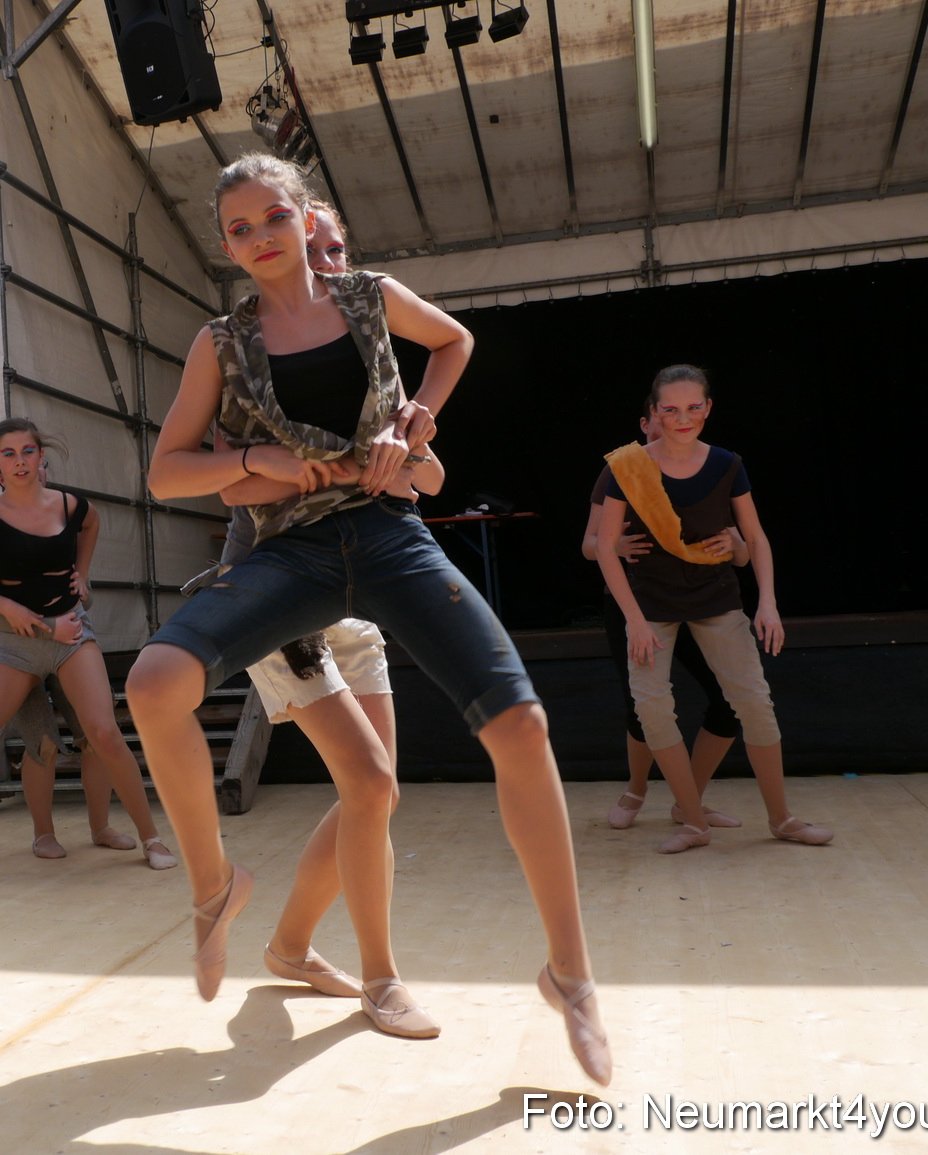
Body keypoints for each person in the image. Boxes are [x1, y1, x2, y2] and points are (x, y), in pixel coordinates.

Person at [123, 154, 610, 1084]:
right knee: (154, 684)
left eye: (275, 217)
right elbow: (166, 472)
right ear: (226, 246)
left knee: (516, 724)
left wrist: (416, 418)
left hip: (388, 540)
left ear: (306, 217)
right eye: (239, 229)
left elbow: (455, 341)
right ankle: (214, 888)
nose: (261, 238)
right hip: (288, 557)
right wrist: (255, 460)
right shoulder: (221, 343)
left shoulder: (369, 298)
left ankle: (571, 976)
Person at [203, 204, 450, 1037]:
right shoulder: (251, 358)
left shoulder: (368, 360)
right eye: (314, 250)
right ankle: (383, 978)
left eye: (337, 248)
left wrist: (403, 440)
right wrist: (318, 466)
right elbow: (229, 485)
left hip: (353, 597)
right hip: (280, 598)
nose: (328, 262)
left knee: (373, 795)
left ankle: (289, 946)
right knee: (370, 786)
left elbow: (432, 480)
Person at [0, 419, 175, 879]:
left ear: (40, 456)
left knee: (104, 735)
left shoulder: (70, 504)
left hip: (72, 637)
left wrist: (83, 573)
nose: (20, 462)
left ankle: (151, 838)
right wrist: (9, 608)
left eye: (27, 451)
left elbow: (92, 522)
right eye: (9, 453)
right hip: (17, 646)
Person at [593, 364, 832, 853]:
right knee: (652, 709)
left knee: (754, 704)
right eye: (671, 409)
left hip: (716, 600)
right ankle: (693, 821)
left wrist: (767, 604)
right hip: (652, 605)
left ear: (708, 409)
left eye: (693, 407)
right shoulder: (627, 467)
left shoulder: (726, 463)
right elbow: (602, 546)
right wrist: (634, 621)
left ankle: (782, 818)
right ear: (654, 413)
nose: (683, 418)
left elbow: (755, 538)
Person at [582, 402, 748, 830]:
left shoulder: (709, 466)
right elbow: (590, 544)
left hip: (701, 602)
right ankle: (636, 790)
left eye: (686, 413)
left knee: (729, 703)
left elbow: (742, 547)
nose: (676, 423)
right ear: (647, 422)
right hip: (639, 605)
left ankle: (688, 802)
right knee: (642, 707)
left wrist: (735, 546)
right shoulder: (623, 468)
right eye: (665, 414)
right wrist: (614, 546)